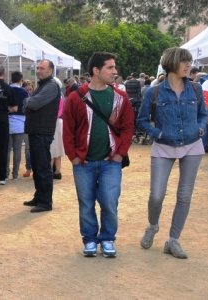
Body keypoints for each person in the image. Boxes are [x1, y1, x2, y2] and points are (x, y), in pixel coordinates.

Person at [137, 47, 207, 259]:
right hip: (164, 145)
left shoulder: (195, 89)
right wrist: (157, 133)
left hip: (192, 145)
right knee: (156, 195)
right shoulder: (154, 91)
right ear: (171, 64)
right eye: (183, 61)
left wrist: (200, 128)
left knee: (184, 195)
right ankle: (152, 225)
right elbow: (141, 120)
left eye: (189, 62)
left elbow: (204, 114)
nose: (188, 65)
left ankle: (173, 240)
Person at [62, 52, 134, 257]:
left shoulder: (120, 97)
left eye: (114, 67)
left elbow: (128, 127)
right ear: (96, 70)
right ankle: (90, 239)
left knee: (110, 201)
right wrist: (74, 157)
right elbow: (68, 130)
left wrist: (120, 154)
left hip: (111, 162)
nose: (115, 71)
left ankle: (108, 238)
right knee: (86, 203)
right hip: (83, 162)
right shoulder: (76, 98)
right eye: (110, 67)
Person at [22, 59, 60, 213]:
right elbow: (31, 102)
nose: (38, 70)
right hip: (36, 130)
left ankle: (45, 202)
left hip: (42, 132)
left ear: (50, 70)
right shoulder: (43, 85)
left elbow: (33, 103)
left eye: (42, 68)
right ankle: (39, 197)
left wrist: (27, 100)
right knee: (38, 167)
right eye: (37, 68)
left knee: (43, 167)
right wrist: (29, 101)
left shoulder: (51, 86)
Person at [6, 71, 29, 180]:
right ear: (21, 80)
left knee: (6, 150)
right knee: (17, 150)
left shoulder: (6, 89)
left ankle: (5, 173)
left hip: (7, 121)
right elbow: (27, 107)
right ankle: (15, 174)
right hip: (20, 123)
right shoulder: (24, 92)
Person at [21, 80, 34, 177]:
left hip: (35, 125)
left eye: (30, 88)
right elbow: (23, 111)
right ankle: (29, 168)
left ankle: (34, 169)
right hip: (27, 124)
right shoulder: (24, 99)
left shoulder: (37, 97)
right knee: (28, 149)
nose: (29, 91)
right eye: (27, 89)